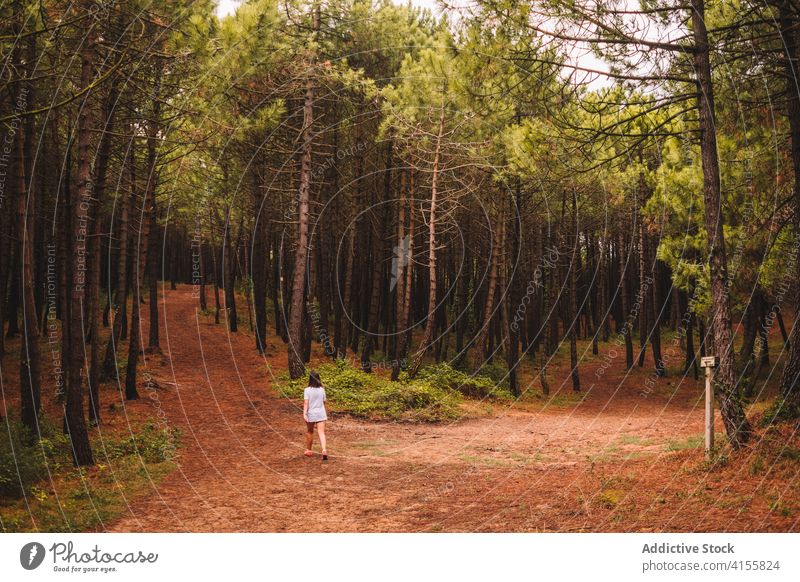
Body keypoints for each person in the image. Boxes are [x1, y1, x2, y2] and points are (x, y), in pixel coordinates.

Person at [303, 370, 328, 461]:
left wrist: (305, 413)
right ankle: (324, 450)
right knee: (321, 432)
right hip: (321, 413)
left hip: (311, 414)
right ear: (318, 379)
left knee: (310, 431)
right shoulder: (322, 389)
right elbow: (324, 402)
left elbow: (306, 403)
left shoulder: (307, 390)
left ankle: (309, 450)